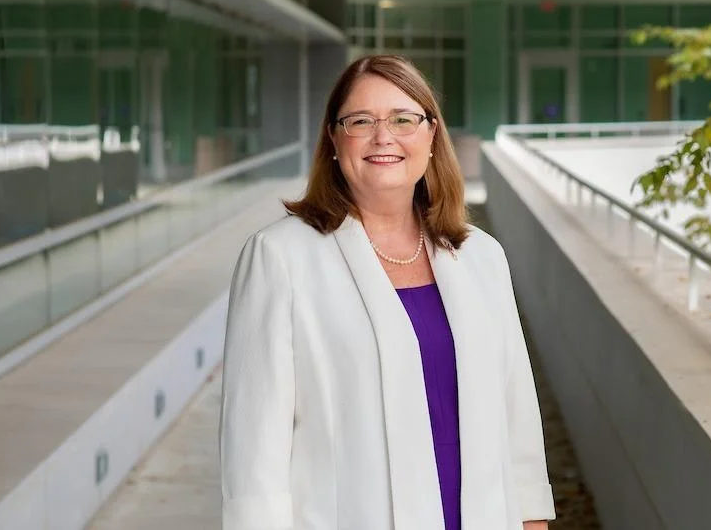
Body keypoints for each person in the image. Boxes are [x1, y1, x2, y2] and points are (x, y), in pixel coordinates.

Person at [219, 54, 555, 530]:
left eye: (403, 119)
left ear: (431, 135)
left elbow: (516, 412)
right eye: (361, 121)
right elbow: (253, 450)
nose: (384, 137)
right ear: (334, 139)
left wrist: (533, 520)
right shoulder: (280, 258)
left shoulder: (482, 257)